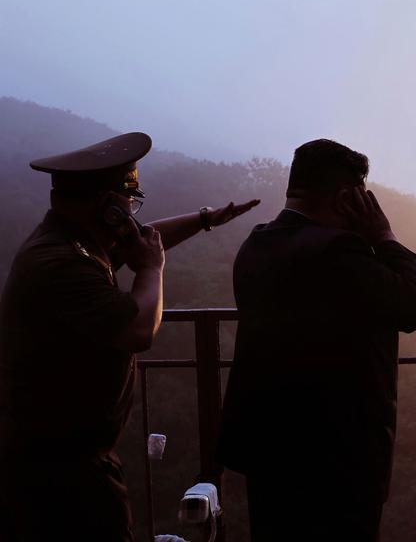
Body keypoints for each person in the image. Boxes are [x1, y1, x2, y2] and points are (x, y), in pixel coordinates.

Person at [0, 132, 259, 541]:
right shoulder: (62, 264)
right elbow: (139, 330)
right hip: (61, 474)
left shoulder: (72, 244)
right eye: (128, 204)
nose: (132, 215)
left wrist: (206, 219)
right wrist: (151, 269)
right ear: (107, 208)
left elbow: (141, 239)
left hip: (60, 459)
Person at [217, 139, 416, 540]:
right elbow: (414, 306)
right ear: (346, 198)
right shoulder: (338, 252)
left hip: (267, 448)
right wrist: (384, 236)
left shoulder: (256, 244)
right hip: (337, 458)